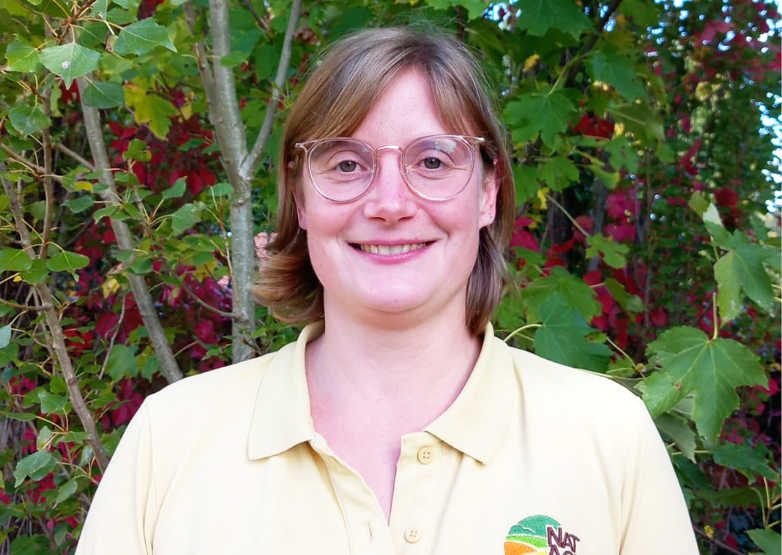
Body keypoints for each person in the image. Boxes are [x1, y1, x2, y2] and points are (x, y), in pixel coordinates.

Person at [75, 27, 699, 554]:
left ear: (488, 193)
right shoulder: (170, 440)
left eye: (433, 161)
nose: (390, 204)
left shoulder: (609, 436)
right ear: (301, 198)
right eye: (347, 163)